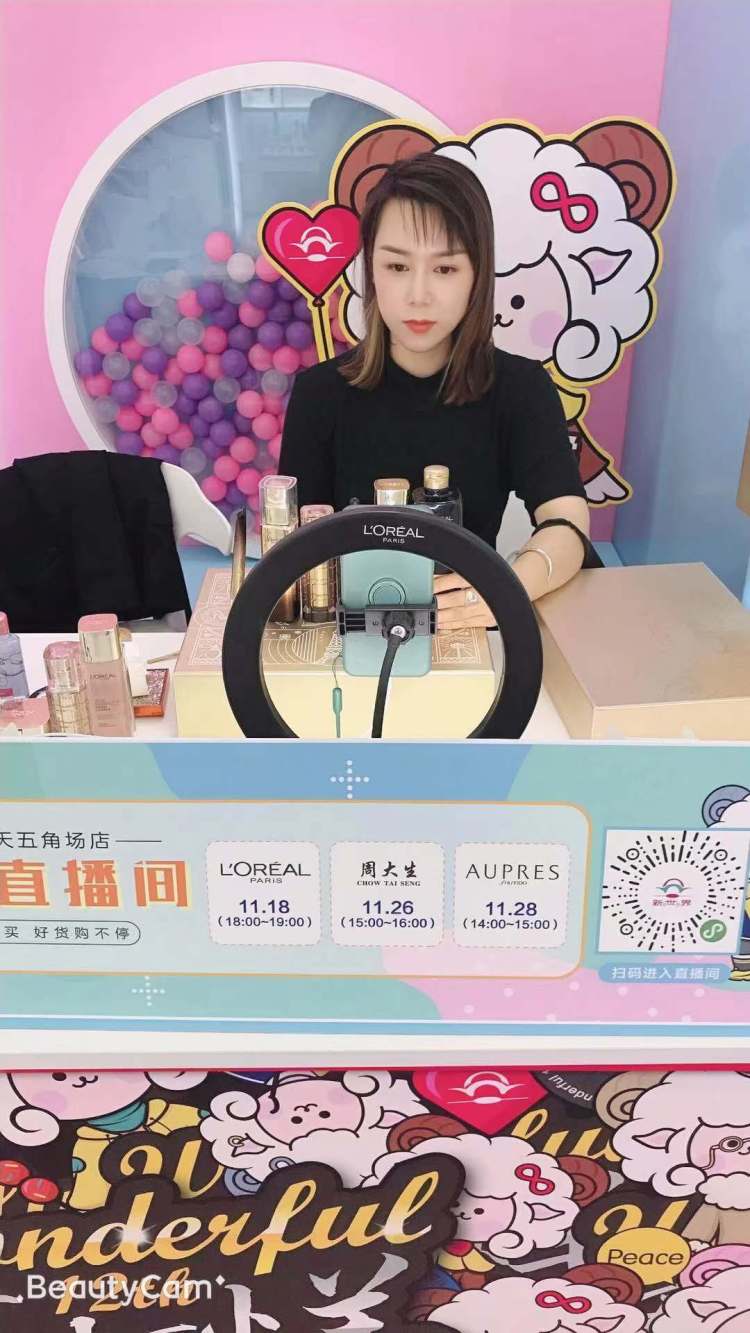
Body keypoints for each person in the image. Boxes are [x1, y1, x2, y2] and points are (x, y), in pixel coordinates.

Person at [279, 152, 592, 629]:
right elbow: (297, 550)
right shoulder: (319, 394)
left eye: (445, 269)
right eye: (397, 266)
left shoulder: (521, 389)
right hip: (349, 631)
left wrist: (505, 589)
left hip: (468, 630)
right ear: (371, 270)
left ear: (477, 275)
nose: (418, 295)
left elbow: (566, 521)